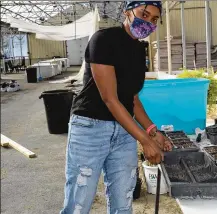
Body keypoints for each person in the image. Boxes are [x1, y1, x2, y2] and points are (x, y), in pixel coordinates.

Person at [60, 1, 172, 214]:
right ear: (128, 12)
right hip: (90, 128)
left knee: (123, 202)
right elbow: (110, 98)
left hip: (123, 132)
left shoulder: (140, 50)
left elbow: (131, 98)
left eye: (154, 19)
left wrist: (153, 131)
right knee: (78, 203)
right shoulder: (104, 39)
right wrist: (145, 141)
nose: (148, 22)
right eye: (144, 14)